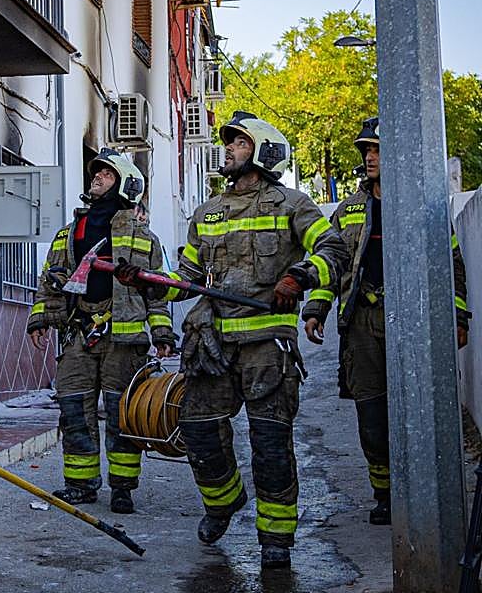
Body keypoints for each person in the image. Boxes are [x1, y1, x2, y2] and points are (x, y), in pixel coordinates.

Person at [121, 111, 349, 569]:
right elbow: (184, 279)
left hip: (268, 346)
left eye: (238, 143)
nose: (227, 149)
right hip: (211, 345)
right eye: (229, 144)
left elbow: (334, 249)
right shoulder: (206, 214)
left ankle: (277, 539)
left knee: (270, 443)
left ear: (263, 153)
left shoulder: (292, 205)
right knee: (200, 432)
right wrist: (146, 280)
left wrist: (299, 277)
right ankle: (223, 502)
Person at [301, 116, 470, 525]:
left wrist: (458, 315)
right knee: (372, 415)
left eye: (376, 150)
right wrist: (316, 309)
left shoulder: (421, 204)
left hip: (414, 321)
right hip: (362, 323)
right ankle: (385, 493)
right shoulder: (349, 210)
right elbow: (335, 265)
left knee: (419, 408)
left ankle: (426, 491)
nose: (370, 157)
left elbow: (451, 264)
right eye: (367, 151)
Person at [26, 148, 176, 514]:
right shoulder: (69, 233)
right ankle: (80, 484)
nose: (97, 177)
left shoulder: (142, 238)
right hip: (78, 333)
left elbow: (157, 292)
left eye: (107, 174)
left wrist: (163, 335)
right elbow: (51, 280)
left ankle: (123, 488)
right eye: (97, 174)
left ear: (125, 184)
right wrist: (40, 317)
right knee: (73, 409)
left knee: (122, 414)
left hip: (124, 342)